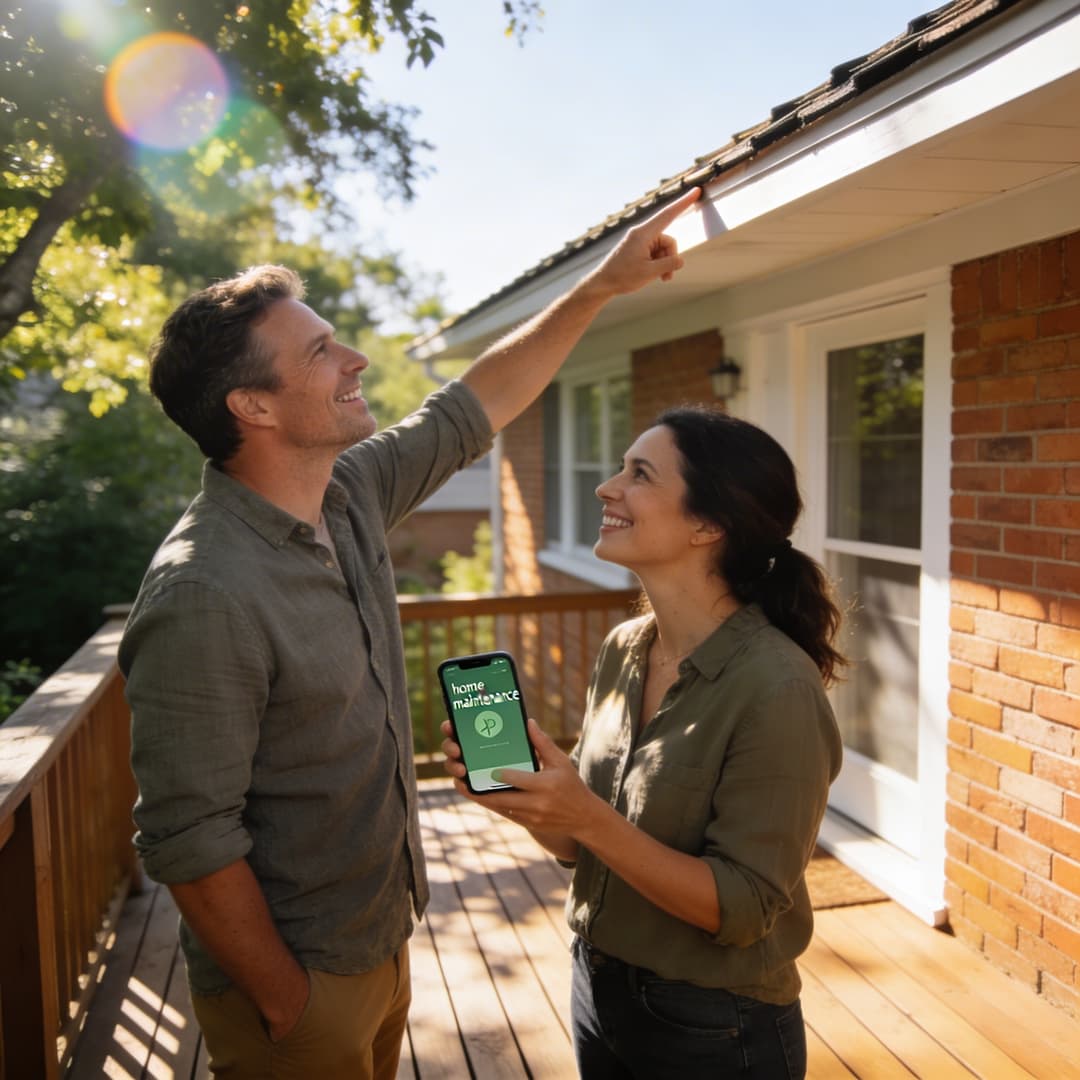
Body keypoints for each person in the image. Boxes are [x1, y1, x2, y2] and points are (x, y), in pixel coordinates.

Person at [119, 186, 701, 1079]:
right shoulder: (203, 591)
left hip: (382, 939)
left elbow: (472, 407)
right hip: (296, 984)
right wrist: (289, 1002)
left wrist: (600, 287)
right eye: (320, 352)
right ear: (255, 407)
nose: (354, 358)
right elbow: (189, 840)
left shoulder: (345, 495)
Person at [442, 405, 845, 1079]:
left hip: (715, 1025)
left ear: (707, 525)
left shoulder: (778, 688)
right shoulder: (625, 649)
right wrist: (530, 801)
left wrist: (585, 815)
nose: (607, 487)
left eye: (640, 474)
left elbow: (744, 908)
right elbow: (582, 848)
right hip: (596, 988)